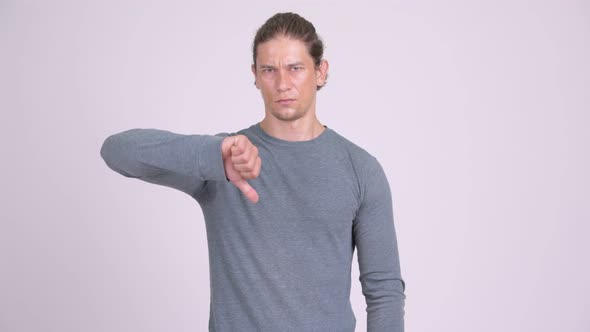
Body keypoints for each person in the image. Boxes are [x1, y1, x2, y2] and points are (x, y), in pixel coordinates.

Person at [100, 12, 405, 332]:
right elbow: (117, 152)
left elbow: (384, 291)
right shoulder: (226, 160)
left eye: (295, 68)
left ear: (320, 71)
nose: (283, 83)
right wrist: (213, 156)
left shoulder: (360, 169)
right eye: (269, 70)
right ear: (255, 76)